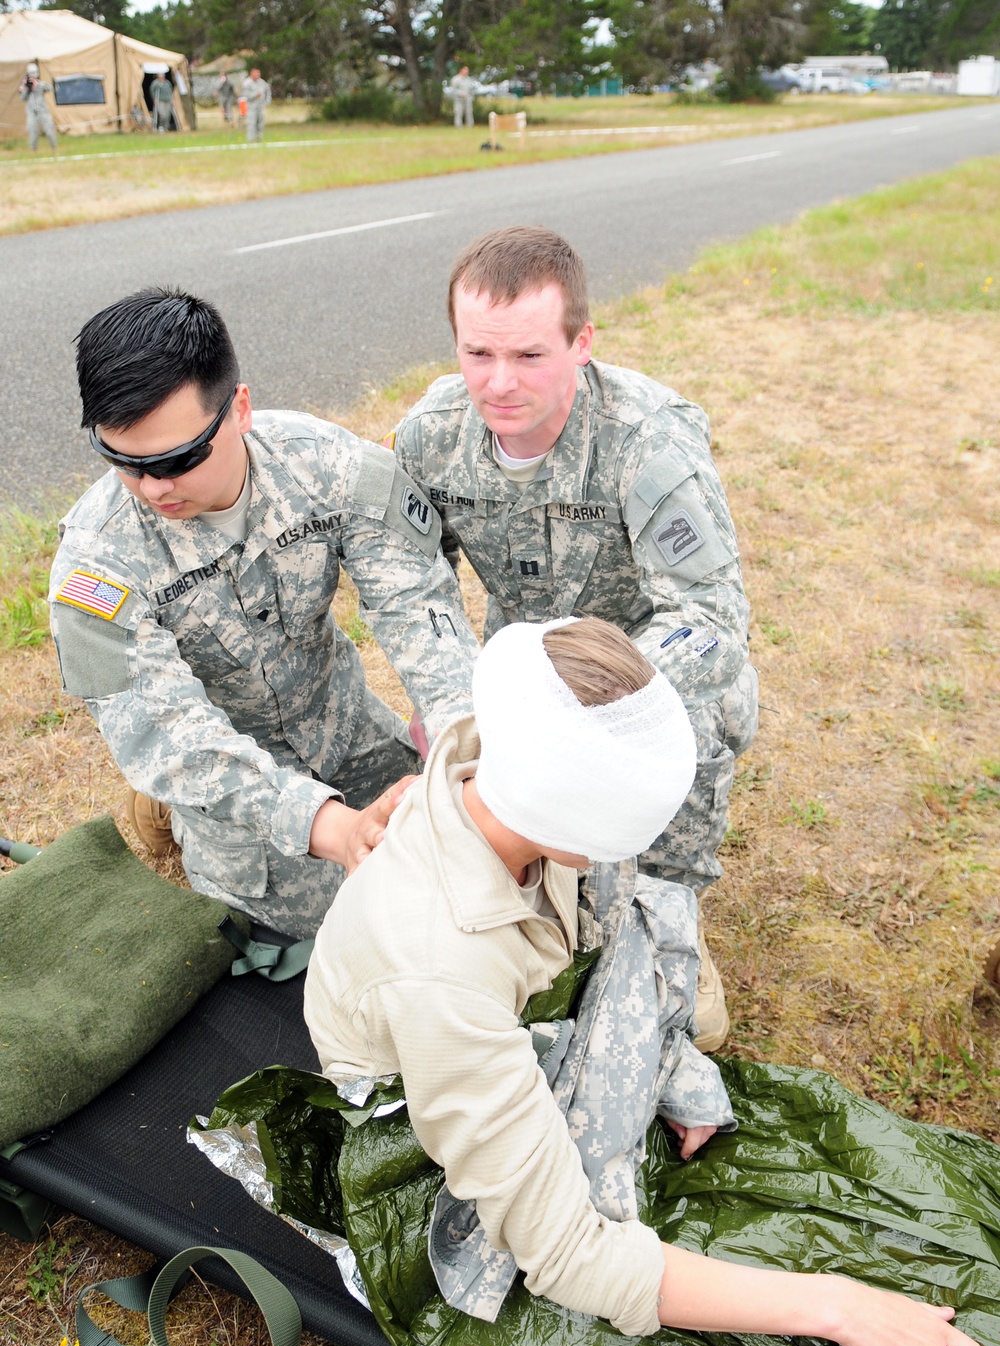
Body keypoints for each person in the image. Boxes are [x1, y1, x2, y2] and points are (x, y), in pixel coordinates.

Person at [303, 616, 986, 1346]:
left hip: (504, 1018)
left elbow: (606, 928)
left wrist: (672, 1066)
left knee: (695, 1009)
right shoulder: (439, 974)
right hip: (420, 1108)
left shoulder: (503, 779)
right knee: (567, 1244)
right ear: (571, 811)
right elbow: (563, 1254)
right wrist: (841, 1308)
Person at [388, 225, 758, 1050]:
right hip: (523, 669)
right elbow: (414, 585)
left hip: (652, 680)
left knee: (675, 793)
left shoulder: (649, 443)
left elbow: (711, 624)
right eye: (477, 353)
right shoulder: (430, 437)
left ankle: (669, 927)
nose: (497, 382)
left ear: (582, 342)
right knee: (511, 837)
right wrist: (459, 706)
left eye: (528, 356)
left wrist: (592, 708)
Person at [48, 287, 479, 940]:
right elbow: (170, 732)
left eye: (178, 459)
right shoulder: (96, 566)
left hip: (349, 735)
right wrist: (323, 825)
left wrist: (465, 743)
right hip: (240, 808)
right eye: (124, 464)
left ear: (239, 409)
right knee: (337, 951)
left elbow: (419, 610)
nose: (155, 487)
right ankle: (174, 810)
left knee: (464, 884)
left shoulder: (330, 469)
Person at [19, 64, 57, 153]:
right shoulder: (25, 85)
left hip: (43, 110)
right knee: (32, 131)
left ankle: (54, 148)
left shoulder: (40, 84)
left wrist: (38, 85)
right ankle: (33, 150)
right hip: (31, 112)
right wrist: (26, 89)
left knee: (49, 129)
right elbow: (22, 98)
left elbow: (50, 87)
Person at [242, 67, 271, 144]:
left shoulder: (262, 82)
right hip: (251, 106)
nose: (257, 75)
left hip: (261, 106)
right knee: (251, 123)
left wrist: (267, 102)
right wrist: (255, 95)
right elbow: (245, 95)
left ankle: (259, 139)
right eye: (256, 73)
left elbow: (268, 92)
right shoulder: (247, 83)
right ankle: (251, 139)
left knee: (260, 123)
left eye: (258, 73)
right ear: (251, 74)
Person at [150, 67, 174, 132]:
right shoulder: (155, 83)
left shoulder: (167, 83)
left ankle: (166, 126)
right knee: (162, 114)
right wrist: (154, 98)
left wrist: (172, 99)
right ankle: (161, 126)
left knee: (167, 114)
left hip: (167, 100)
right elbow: (152, 91)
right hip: (160, 100)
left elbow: (170, 91)